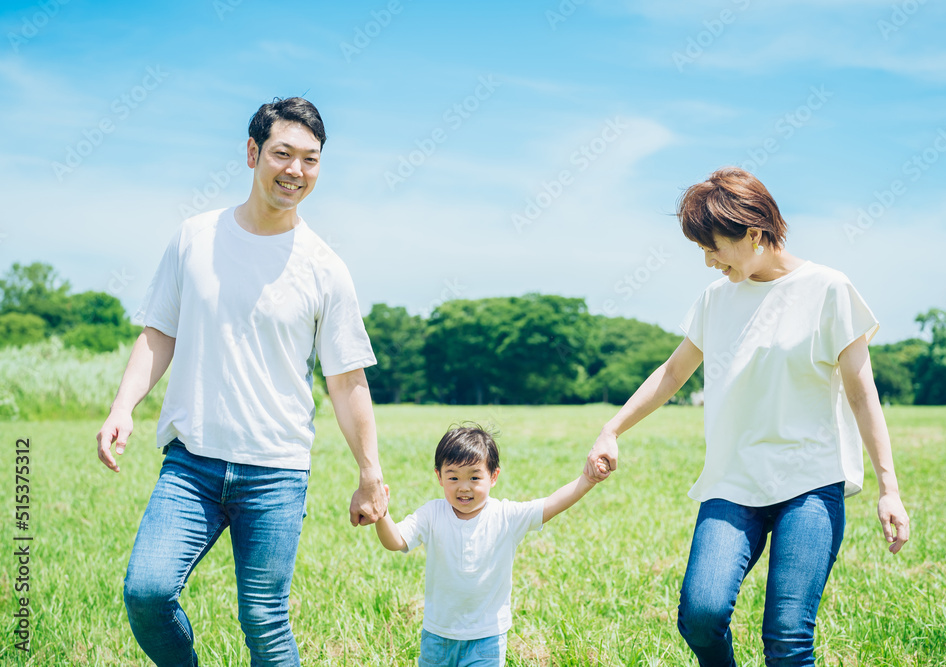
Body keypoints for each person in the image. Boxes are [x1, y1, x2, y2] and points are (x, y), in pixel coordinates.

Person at [95, 97, 388, 666]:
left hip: (276, 468)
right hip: (192, 461)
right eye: (283, 154)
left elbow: (347, 379)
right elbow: (160, 333)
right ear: (253, 153)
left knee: (263, 621)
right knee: (147, 591)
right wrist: (122, 406)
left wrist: (369, 473)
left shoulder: (325, 267)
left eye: (311, 159)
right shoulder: (194, 237)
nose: (295, 171)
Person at [585, 167, 910, 667]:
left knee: (787, 635)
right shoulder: (716, 299)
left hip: (810, 485)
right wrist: (612, 428)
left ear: (755, 233)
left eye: (713, 247)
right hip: (732, 482)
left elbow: (863, 395)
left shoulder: (829, 289)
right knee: (701, 613)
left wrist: (889, 488)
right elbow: (672, 374)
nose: (709, 261)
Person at [375, 424, 608, 667]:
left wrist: (587, 480)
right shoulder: (432, 514)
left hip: (487, 639)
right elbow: (395, 540)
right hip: (438, 636)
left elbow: (550, 504)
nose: (464, 487)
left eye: (475, 477)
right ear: (439, 477)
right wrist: (381, 514)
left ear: (493, 477)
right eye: (453, 477)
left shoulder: (505, 516)